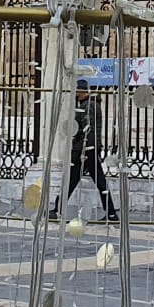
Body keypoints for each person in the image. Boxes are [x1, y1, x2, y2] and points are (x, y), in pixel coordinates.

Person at [54, 90, 118, 222]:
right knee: (76, 180)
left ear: (83, 92)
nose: (76, 94)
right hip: (87, 149)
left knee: (82, 180)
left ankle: (58, 210)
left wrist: (83, 150)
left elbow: (88, 130)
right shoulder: (89, 104)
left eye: (77, 91)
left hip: (86, 150)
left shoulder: (88, 106)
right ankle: (111, 213)